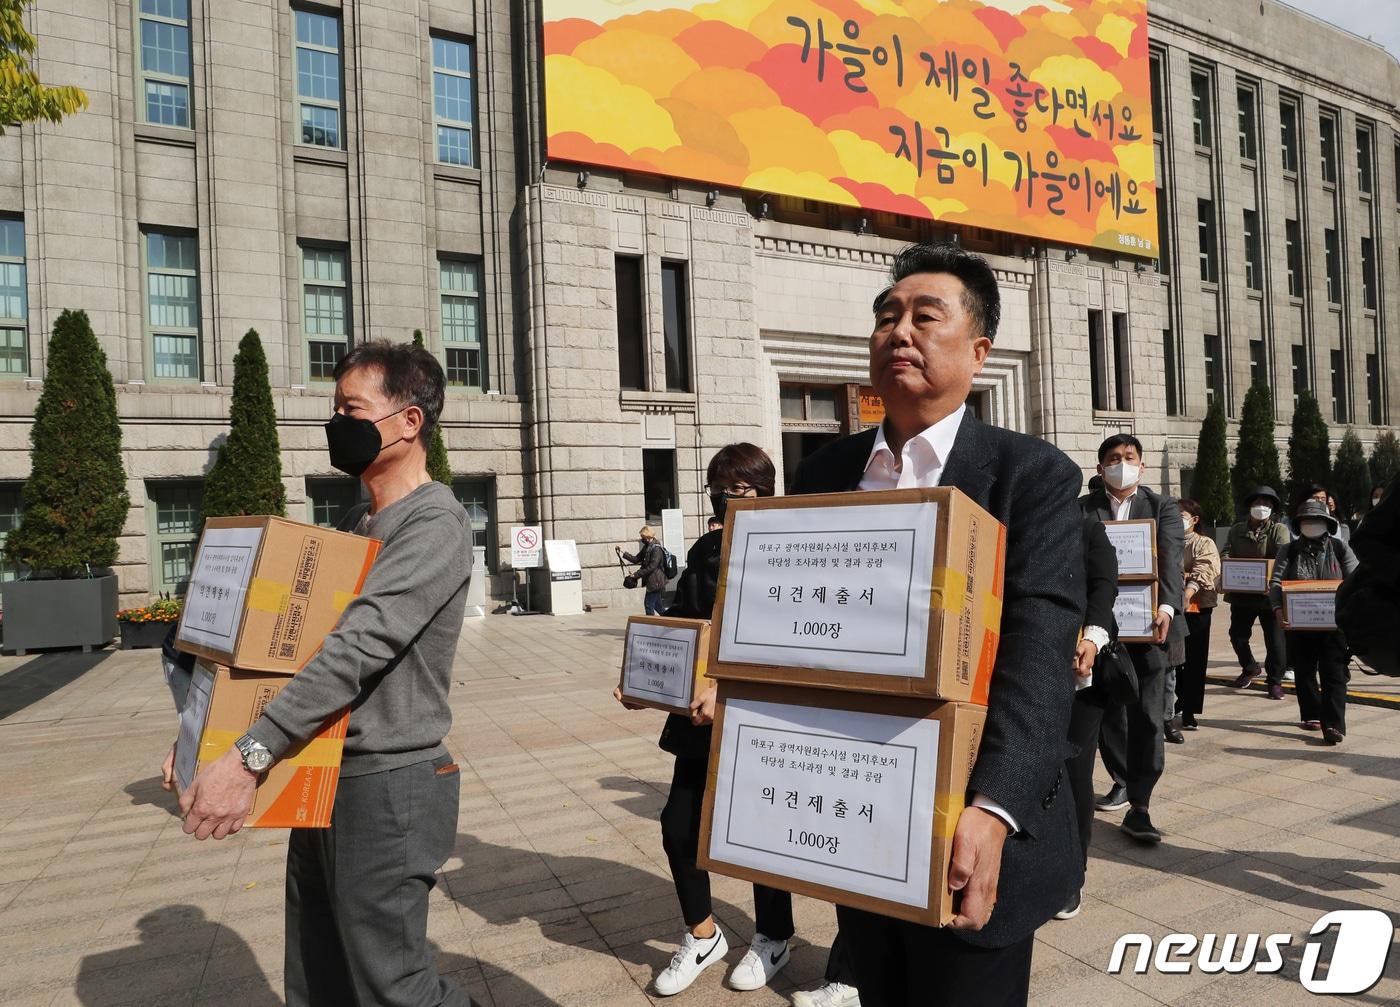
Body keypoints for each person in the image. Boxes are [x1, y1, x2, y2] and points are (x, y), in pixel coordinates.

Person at [790, 242, 1085, 1005]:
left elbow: (1041, 650)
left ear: (980, 350)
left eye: (926, 315)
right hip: (858, 816)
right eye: (887, 316)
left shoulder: (1031, 476)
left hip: (974, 838)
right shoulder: (823, 473)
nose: (899, 331)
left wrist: (995, 808)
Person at [164, 341, 472, 1006]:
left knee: (395, 986)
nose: (338, 423)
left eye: (352, 409)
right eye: (336, 409)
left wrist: (247, 756)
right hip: (322, 770)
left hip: (389, 785)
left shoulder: (435, 521)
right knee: (321, 973)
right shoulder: (360, 520)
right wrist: (201, 732)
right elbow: (290, 651)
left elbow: (353, 651)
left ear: (410, 420)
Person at [615, 444, 836, 998]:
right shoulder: (706, 548)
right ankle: (703, 933)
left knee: (761, 830)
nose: (728, 497)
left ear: (765, 489)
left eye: (740, 488)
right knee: (679, 826)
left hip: (764, 716)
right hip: (700, 720)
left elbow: (798, 642)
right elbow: (685, 628)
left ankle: (774, 935)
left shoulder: (796, 549)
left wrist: (730, 691)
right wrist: (649, 683)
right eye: (720, 487)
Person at [1081, 434, 1184, 844]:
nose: (1120, 463)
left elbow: (1172, 558)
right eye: (1112, 458)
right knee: (1104, 714)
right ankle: (1122, 778)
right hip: (1098, 630)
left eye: (1128, 457)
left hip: (1150, 628)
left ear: (1141, 466)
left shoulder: (1162, 507)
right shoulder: (1083, 509)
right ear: (1100, 466)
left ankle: (1140, 804)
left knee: (1146, 716)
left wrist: (1168, 607)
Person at [1057, 512, 1118, 921]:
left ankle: (1071, 875)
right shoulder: (1011, 521)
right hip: (1023, 666)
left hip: (1080, 668)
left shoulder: (1086, 527)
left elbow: (1103, 586)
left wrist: (1093, 638)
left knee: (1075, 772)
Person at [1270, 499, 1358, 743]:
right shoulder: (1288, 550)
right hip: (1299, 625)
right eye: (1306, 521)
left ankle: (1334, 725)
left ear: (1327, 524)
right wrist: (1278, 610)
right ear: (1298, 525)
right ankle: (1311, 713)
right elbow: (1276, 582)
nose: (1311, 524)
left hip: (1334, 625)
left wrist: (1348, 611)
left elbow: (1354, 581)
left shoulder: (1340, 548)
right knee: (1305, 671)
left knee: (1335, 674)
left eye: (1316, 520)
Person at [1223, 486, 1291, 699]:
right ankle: (1250, 666)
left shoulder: (1278, 529)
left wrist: (1269, 575)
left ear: (1273, 508)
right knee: (1237, 636)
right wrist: (1227, 566)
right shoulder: (1236, 530)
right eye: (1257, 503)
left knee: (1275, 641)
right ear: (1249, 507)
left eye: (1267, 504)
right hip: (1242, 593)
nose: (1262, 507)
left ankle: (1275, 681)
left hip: (1269, 594)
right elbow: (1226, 551)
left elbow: (1283, 554)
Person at [1174, 498, 1221, 730]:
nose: (1177, 519)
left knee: (1195, 657)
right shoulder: (1164, 540)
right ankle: (1177, 701)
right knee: (1173, 658)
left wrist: (1189, 588)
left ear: (1195, 520)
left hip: (1198, 606)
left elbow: (1207, 567)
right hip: (1169, 605)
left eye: (1181, 515)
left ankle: (1190, 709)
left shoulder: (1204, 542)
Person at [618, 527, 667, 615]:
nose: (642, 539)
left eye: (643, 537)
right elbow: (636, 559)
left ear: (648, 537)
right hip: (652, 581)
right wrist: (623, 552)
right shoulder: (647, 547)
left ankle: (651, 627)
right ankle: (670, 621)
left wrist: (636, 575)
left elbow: (652, 567)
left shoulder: (656, 549)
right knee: (658, 606)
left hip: (656, 581)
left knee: (648, 604)